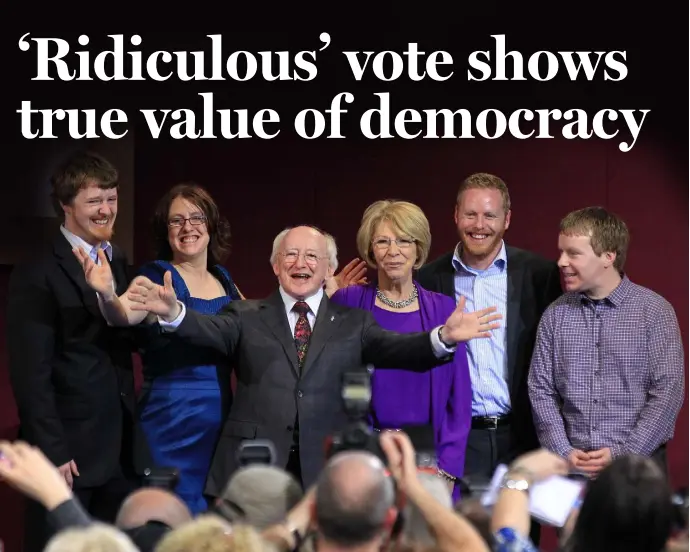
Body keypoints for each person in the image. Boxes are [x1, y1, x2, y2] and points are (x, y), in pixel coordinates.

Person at [119, 225, 502, 495]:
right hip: (256, 468)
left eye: (311, 256)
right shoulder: (244, 314)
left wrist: (443, 337)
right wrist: (174, 312)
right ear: (275, 264)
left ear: (327, 269)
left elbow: (400, 350)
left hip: (327, 469)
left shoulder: (353, 321)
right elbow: (205, 330)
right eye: (291, 255)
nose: (300, 263)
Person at [75, 182, 243, 515]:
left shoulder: (224, 279)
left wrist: (322, 296)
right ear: (164, 231)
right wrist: (107, 294)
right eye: (176, 220)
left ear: (211, 224)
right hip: (171, 422)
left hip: (220, 424)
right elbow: (120, 316)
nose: (187, 228)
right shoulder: (157, 276)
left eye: (196, 218)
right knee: (167, 519)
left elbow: (258, 331)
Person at [6, 151, 141, 552]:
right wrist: (54, 453)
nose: (106, 210)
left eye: (112, 198)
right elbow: (31, 374)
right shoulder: (38, 271)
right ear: (65, 205)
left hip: (117, 451)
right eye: (94, 200)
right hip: (68, 456)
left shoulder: (119, 264)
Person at [415, 172, 562, 477]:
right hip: (458, 440)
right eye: (470, 214)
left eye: (489, 215)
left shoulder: (540, 275)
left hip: (521, 438)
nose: (479, 225)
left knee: (517, 526)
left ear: (506, 219)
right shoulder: (427, 280)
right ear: (456, 216)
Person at [528, 206, 684, 477]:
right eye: (561, 251)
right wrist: (562, 451)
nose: (561, 262)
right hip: (573, 474)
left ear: (608, 256)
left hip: (639, 472)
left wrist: (624, 453)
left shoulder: (654, 312)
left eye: (573, 253)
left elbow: (667, 393)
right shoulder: (555, 315)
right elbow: (540, 389)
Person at [330, 200, 472, 497]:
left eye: (404, 241)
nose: (393, 251)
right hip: (365, 460)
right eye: (383, 241)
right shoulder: (348, 302)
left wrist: (447, 470)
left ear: (418, 249)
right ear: (371, 249)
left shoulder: (444, 309)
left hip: (429, 465)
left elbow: (459, 400)